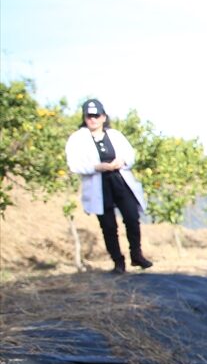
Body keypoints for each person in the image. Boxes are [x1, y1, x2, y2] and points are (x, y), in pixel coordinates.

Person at [64, 99, 152, 273]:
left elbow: (130, 155)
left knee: (131, 217)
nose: (93, 119)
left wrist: (122, 161)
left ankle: (136, 254)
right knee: (109, 226)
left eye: (96, 115)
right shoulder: (77, 139)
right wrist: (96, 167)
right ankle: (118, 262)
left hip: (119, 180)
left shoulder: (115, 135)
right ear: (84, 118)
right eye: (89, 116)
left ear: (103, 117)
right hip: (99, 184)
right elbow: (74, 164)